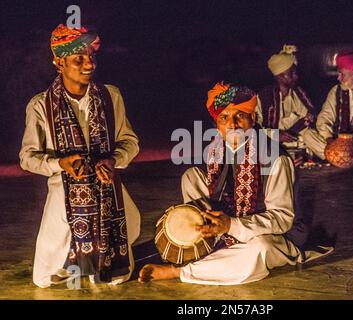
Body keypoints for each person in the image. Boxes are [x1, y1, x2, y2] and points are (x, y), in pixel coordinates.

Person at [139, 82, 332, 284]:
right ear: (217, 124)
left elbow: (282, 219)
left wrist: (231, 225)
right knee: (192, 176)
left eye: (239, 115)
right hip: (231, 221)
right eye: (224, 118)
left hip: (274, 233)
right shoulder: (218, 150)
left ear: (253, 118)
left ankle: (180, 271)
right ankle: (207, 237)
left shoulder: (275, 159)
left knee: (260, 249)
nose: (232, 124)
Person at [19, 24, 141, 288]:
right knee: (45, 279)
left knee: (118, 276)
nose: (89, 64)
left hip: (109, 191)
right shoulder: (40, 105)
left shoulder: (111, 96)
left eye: (91, 57)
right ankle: (78, 260)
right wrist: (59, 164)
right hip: (63, 193)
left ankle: (98, 260)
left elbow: (130, 142)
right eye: (79, 59)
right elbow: (27, 157)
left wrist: (114, 160)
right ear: (58, 62)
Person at [255, 44, 320, 165]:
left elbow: (308, 125)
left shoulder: (299, 95)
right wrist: (276, 135)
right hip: (272, 146)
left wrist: (304, 154)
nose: (296, 76)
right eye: (292, 73)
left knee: (310, 134)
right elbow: (255, 130)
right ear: (280, 77)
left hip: (296, 147)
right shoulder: (263, 97)